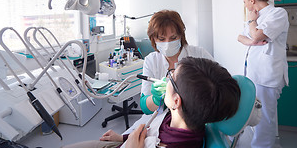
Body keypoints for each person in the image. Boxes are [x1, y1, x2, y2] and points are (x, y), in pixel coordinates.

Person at [62, 57, 241, 148]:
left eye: (171, 76)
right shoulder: (181, 120)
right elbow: (152, 133)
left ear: (176, 100)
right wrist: (122, 138)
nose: (166, 78)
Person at [237, 0, 289, 148]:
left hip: (267, 75)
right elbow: (241, 37)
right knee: (255, 114)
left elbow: (257, 35)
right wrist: (253, 38)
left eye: (245, 2)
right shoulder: (256, 17)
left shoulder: (278, 13)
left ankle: (263, 146)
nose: (245, 6)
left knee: (265, 116)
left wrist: (252, 24)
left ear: (252, 1)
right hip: (254, 73)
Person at [140, 10, 214, 115]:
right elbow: (145, 107)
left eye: (173, 38)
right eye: (161, 39)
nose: (167, 43)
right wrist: (156, 99)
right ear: (153, 39)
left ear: (181, 35)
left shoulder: (199, 54)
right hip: (161, 119)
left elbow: (220, 83)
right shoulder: (151, 61)